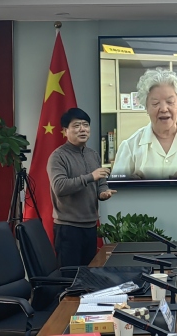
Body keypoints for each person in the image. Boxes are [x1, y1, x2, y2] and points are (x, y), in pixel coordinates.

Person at [48, 108, 116, 267]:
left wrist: (103, 193)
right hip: (68, 228)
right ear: (65, 131)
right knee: (70, 276)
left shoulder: (93, 154)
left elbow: (101, 182)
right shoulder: (58, 156)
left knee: (88, 274)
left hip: (91, 226)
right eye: (76, 125)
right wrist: (90, 177)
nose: (82, 129)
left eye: (85, 125)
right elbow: (60, 187)